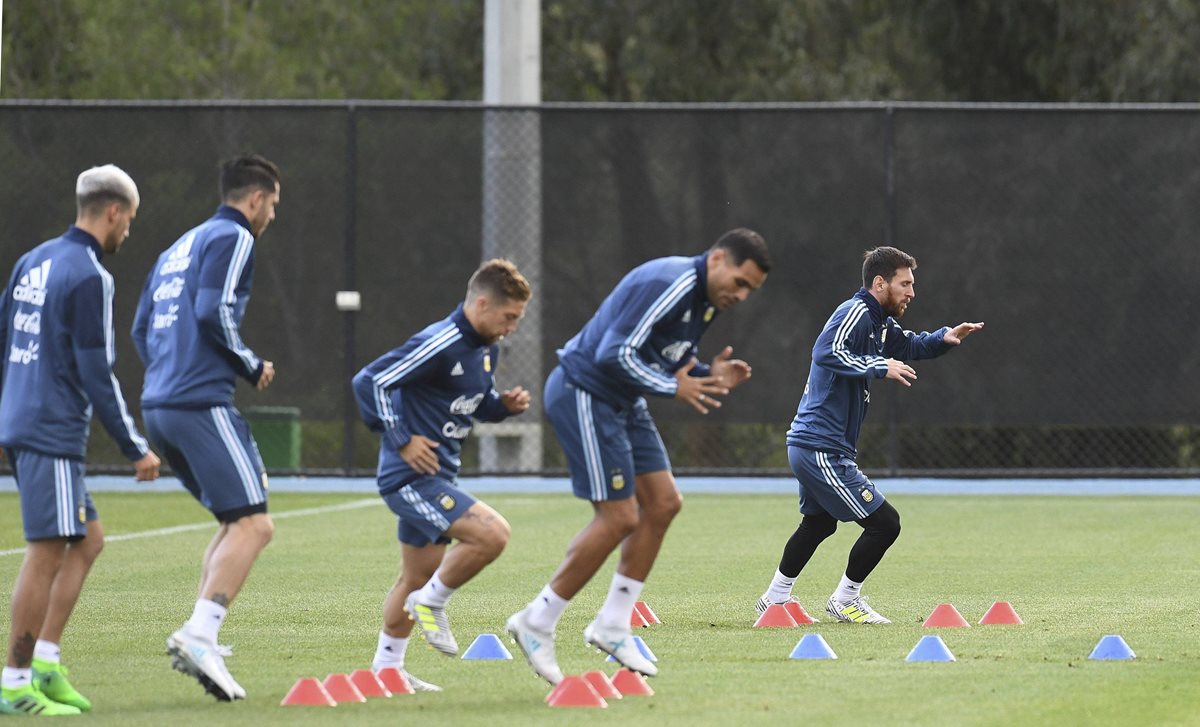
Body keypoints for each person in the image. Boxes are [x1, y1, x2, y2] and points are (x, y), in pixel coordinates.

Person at [506, 228, 771, 685]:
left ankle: (612, 624)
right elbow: (614, 353)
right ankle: (537, 620)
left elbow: (670, 360)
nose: (742, 295)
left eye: (751, 290)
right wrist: (675, 387)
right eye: (741, 282)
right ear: (718, 259)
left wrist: (709, 374)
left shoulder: (705, 301)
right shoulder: (670, 282)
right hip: (585, 391)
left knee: (665, 503)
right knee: (618, 517)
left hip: (624, 401)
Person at [0, 165, 161, 716]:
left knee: (87, 540)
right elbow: (99, 374)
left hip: (24, 420)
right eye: (130, 221)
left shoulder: (33, 260)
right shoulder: (90, 274)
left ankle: (44, 662)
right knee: (46, 552)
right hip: (51, 430)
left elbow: (4, 341)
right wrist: (134, 445)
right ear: (113, 212)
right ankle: (15, 684)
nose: (128, 233)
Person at [755, 246, 983, 624]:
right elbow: (825, 351)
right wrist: (879, 365)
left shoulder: (878, 322)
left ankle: (775, 598)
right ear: (880, 283)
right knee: (884, 523)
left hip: (818, 445)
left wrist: (944, 338)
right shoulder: (856, 312)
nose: (912, 293)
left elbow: (908, 345)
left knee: (819, 523)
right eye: (905, 284)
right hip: (819, 446)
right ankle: (845, 599)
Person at [131, 154, 281, 701]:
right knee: (255, 524)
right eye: (274, 206)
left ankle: (205, 636)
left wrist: (168, 374)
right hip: (197, 401)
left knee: (232, 518)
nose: (271, 218)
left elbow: (141, 328)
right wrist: (249, 363)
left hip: (160, 402)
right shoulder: (234, 236)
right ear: (257, 198)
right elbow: (212, 311)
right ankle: (200, 632)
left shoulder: (178, 246)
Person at [353, 259, 532, 691]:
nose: (512, 327)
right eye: (509, 317)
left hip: (440, 477)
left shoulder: (486, 348)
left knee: (414, 577)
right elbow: (370, 381)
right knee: (492, 535)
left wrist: (502, 408)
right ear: (483, 303)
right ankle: (432, 603)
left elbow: (473, 403)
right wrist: (401, 439)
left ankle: (387, 671)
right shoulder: (440, 341)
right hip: (409, 479)